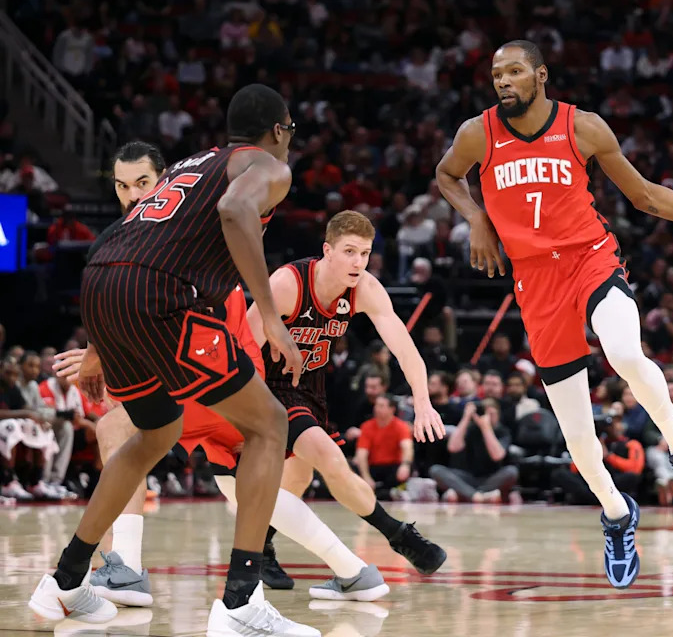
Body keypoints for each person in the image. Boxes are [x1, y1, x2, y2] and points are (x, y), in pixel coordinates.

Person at [436, 39, 673, 590]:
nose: (503, 81)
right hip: (535, 280)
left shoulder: (584, 127)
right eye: (497, 73)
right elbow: (445, 174)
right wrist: (476, 218)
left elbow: (643, 195)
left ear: (541, 75)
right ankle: (618, 516)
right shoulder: (477, 133)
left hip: (589, 258)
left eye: (515, 71)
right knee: (578, 441)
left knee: (623, 350)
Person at [27, 84, 320, 637]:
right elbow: (235, 211)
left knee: (156, 433)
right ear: (280, 130)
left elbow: (133, 236)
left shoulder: (195, 162)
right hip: (160, 296)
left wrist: (100, 342)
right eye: (289, 133)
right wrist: (271, 313)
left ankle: (65, 580)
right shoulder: (267, 167)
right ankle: (239, 602)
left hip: (102, 280)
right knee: (270, 424)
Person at [53, 141, 388, 608]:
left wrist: (105, 353)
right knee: (236, 485)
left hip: (215, 354)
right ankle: (352, 570)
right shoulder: (139, 230)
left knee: (124, 426)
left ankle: (124, 567)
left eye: (142, 184)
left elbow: (155, 302)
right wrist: (100, 350)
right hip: (194, 350)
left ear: (166, 180)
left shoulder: (180, 231)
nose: (131, 196)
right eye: (122, 186)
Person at [246, 210, 448, 577]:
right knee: (331, 459)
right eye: (350, 251)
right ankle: (401, 536)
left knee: (297, 479)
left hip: (309, 390)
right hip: (267, 388)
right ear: (327, 250)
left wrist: (423, 403)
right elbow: (241, 350)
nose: (359, 262)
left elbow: (404, 348)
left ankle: (259, 549)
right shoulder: (288, 284)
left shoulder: (365, 288)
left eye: (365, 253)